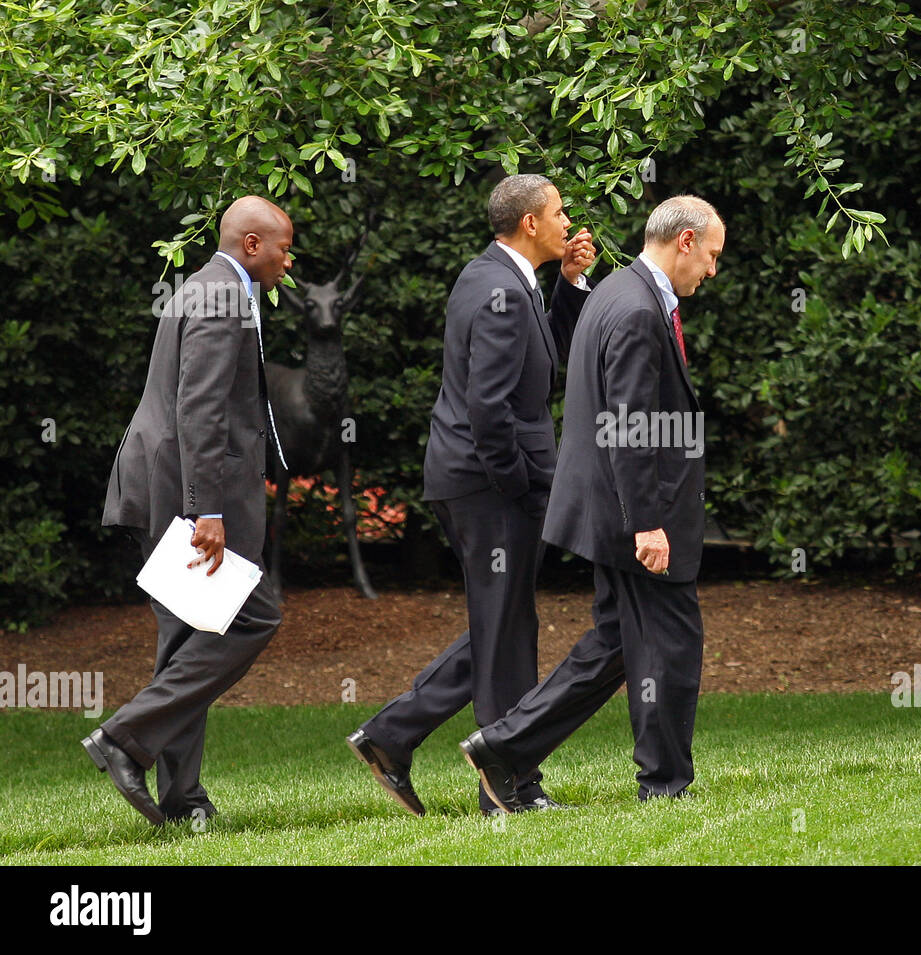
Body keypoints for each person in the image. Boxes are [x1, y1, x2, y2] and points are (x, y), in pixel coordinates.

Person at [460, 195, 724, 811]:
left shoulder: (615, 290)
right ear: (684, 242)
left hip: (609, 511)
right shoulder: (635, 307)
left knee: (613, 647)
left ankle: (504, 748)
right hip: (633, 515)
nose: (711, 271)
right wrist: (649, 525)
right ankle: (664, 784)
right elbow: (629, 426)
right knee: (672, 645)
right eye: (710, 256)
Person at [346, 175, 596, 816]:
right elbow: (488, 407)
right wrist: (517, 485)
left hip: (484, 481)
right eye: (560, 213)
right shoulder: (499, 290)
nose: (570, 222)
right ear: (531, 224)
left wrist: (568, 285)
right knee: (507, 629)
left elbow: (548, 358)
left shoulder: (504, 279)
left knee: (504, 624)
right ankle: (506, 785)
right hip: (489, 485)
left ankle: (394, 738)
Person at [86, 195, 294, 825]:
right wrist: (207, 512)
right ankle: (123, 737)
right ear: (251, 245)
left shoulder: (209, 288)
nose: (291, 259)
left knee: (187, 640)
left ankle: (182, 801)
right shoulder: (221, 296)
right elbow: (198, 410)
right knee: (253, 618)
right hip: (183, 494)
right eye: (284, 246)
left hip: (171, 487)